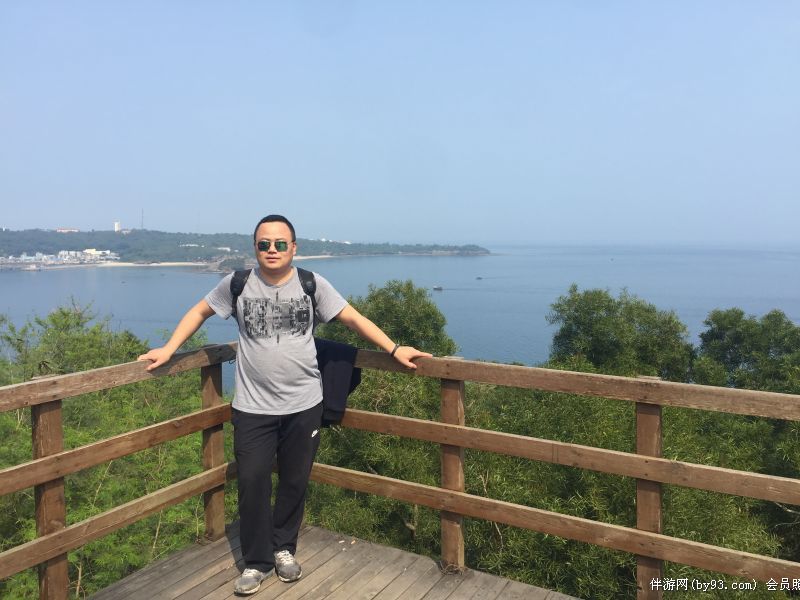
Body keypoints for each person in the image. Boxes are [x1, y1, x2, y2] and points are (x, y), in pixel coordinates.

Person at [138, 215, 431, 595]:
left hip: (304, 404)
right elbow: (199, 312)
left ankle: (284, 548)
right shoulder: (237, 284)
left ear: (294, 248)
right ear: (255, 247)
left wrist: (394, 348)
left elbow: (352, 318)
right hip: (252, 406)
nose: (272, 250)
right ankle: (256, 561)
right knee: (252, 481)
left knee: (294, 481)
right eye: (264, 244)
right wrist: (168, 349)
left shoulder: (311, 284)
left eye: (280, 244)